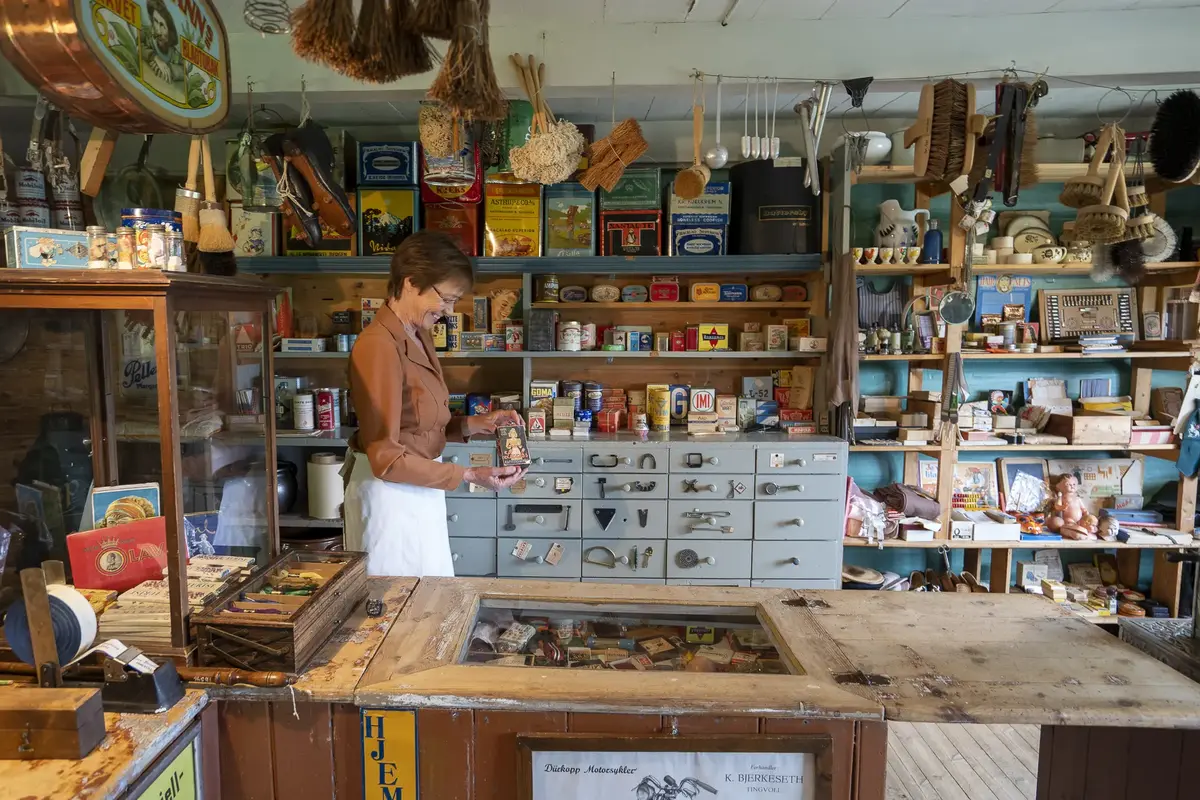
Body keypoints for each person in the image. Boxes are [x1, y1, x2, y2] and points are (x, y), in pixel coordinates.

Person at [345, 232, 526, 576]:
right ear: (411, 282)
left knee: (428, 600)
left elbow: (420, 424)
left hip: (419, 487)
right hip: (390, 498)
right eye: (446, 298)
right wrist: (470, 474)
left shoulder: (417, 334)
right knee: (396, 608)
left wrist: (479, 424)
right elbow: (385, 457)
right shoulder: (379, 346)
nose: (449, 311)